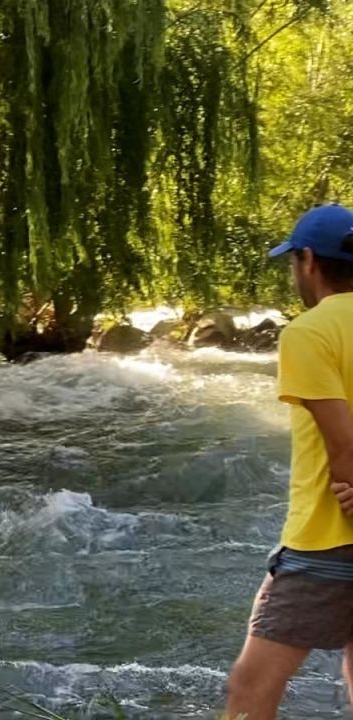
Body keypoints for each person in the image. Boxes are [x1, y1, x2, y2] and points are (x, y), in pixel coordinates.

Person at [226, 204, 353, 719]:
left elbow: (344, 447)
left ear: (307, 260)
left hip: (329, 536)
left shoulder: (309, 332)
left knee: (251, 686)